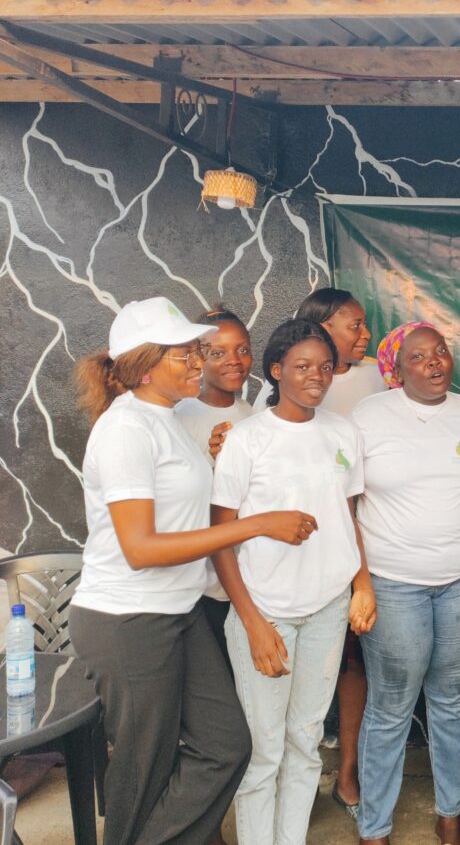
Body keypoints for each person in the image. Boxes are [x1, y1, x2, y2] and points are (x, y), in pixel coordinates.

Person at [69, 296, 318, 845]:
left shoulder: (168, 420)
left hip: (177, 611)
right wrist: (256, 526)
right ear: (145, 365)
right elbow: (141, 548)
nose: (198, 363)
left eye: (195, 352)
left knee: (225, 746)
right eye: (185, 355)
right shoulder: (125, 429)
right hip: (129, 620)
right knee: (144, 770)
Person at [211, 317, 376, 845]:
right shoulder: (247, 439)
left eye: (325, 367)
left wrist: (362, 585)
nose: (316, 376)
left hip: (327, 608)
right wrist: (253, 624)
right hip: (267, 611)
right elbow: (221, 539)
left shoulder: (342, 432)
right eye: (302, 366)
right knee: (264, 751)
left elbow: (348, 517)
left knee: (305, 743)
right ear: (277, 370)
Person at [351, 322, 460, 845]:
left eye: (441, 352)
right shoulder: (368, 417)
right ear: (396, 369)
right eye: (418, 356)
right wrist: (361, 582)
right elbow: (347, 501)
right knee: (391, 705)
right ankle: (375, 826)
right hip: (393, 583)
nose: (434, 362)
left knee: (454, 697)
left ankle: (450, 813)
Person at [294, 287, 386, 819]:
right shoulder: (289, 386)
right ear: (323, 327)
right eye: (355, 324)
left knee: (354, 664)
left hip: (364, 542)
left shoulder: (378, 379)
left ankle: (348, 774)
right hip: (300, 549)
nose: (365, 334)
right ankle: (295, 782)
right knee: (298, 672)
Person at [174, 307, 255, 666]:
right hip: (200, 588)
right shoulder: (180, 416)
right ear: (197, 358)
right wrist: (211, 461)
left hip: (247, 581)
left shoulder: (252, 415)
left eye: (243, 349)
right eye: (218, 352)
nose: (234, 360)